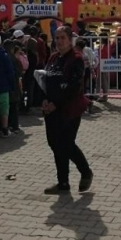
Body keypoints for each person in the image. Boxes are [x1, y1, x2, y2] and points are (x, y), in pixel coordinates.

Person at [41, 26, 93, 194]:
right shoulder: (53, 58)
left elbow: (74, 87)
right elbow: (44, 81)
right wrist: (44, 101)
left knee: (66, 144)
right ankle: (62, 182)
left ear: (70, 39)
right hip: (51, 110)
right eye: (57, 38)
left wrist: (56, 103)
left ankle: (85, 171)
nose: (59, 41)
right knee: (54, 144)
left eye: (62, 38)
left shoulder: (76, 59)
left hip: (69, 109)